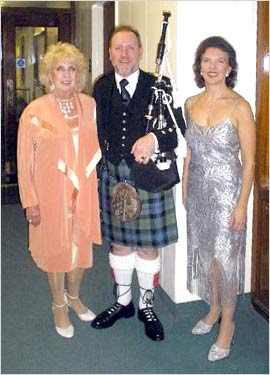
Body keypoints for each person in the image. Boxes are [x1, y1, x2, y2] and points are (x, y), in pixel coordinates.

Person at [91, 25, 184, 341]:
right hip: (114, 177)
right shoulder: (102, 87)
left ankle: (147, 305)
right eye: (118, 48)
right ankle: (123, 302)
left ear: (140, 50)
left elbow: (173, 131)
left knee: (146, 247)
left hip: (144, 178)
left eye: (130, 47)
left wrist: (153, 138)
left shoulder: (157, 85)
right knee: (119, 244)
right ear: (110, 52)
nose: (124, 54)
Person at [17, 42, 102, 339]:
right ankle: (58, 304)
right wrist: (30, 201)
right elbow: (24, 159)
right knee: (56, 248)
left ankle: (75, 296)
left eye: (72, 68)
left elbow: (97, 148)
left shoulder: (89, 105)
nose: (66, 74)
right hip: (49, 191)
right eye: (60, 68)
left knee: (81, 247)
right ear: (50, 74)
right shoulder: (33, 111)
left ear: (79, 74)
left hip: (84, 190)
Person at [182, 36, 256, 361]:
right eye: (206, 60)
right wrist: (185, 187)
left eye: (219, 61)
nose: (212, 67)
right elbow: (189, 152)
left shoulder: (240, 106)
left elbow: (251, 161)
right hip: (198, 189)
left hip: (228, 193)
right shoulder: (189, 103)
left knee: (227, 261)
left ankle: (228, 325)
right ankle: (213, 308)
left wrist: (242, 204)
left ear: (229, 67)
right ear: (200, 66)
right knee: (207, 253)